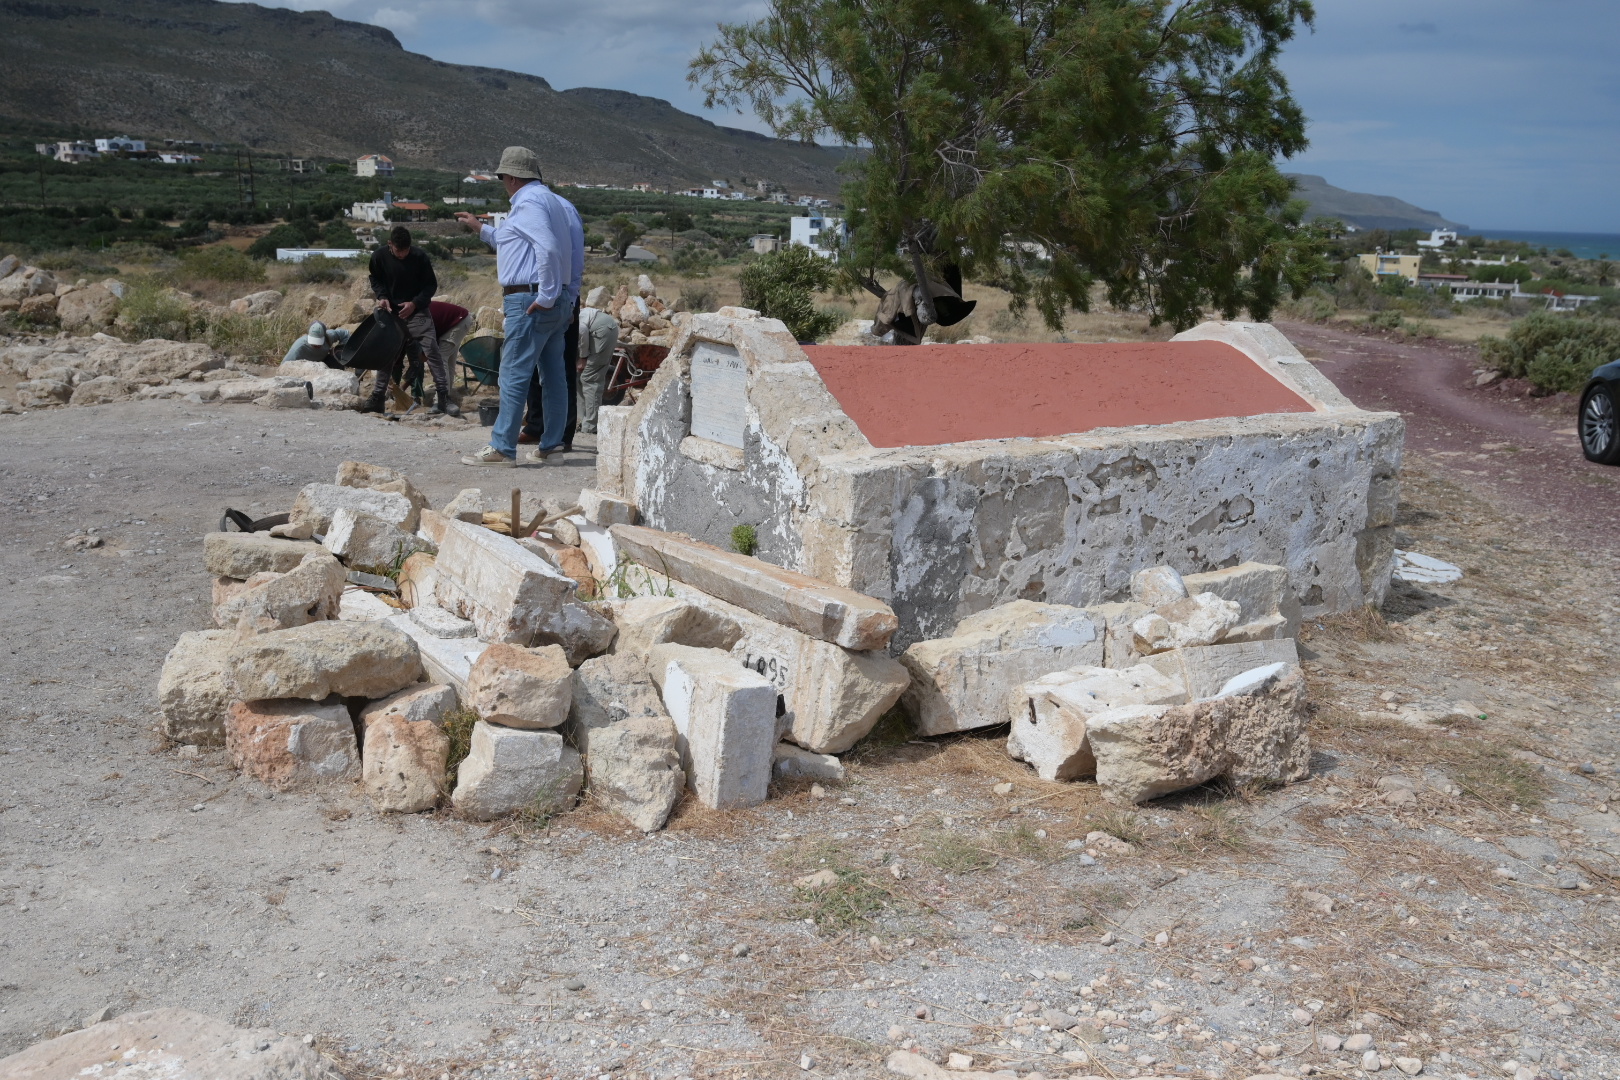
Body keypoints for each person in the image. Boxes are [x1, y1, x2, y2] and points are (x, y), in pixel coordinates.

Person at [453, 146, 569, 467]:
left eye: (503, 177)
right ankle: (552, 446)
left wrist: (545, 296)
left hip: (530, 299)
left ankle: (503, 448)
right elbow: (518, 244)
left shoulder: (528, 203)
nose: (503, 183)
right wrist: (480, 228)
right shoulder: (552, 202)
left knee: (513, 373)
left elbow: (547, 248)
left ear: (513, 177)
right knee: (553, 377)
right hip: (556, 299)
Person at [362, 225, 458, 416]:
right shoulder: (379, 257)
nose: (402, 255)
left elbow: (430, 286)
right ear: (390, 244)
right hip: (391, 314)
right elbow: (375, 279)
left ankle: (443, 398)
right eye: (398, 251)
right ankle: (378, 398)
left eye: (406, 251)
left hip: (418, 313)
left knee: (433, 353)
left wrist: (414, 304)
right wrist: (382, 296)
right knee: (386, 356)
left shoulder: (420, 257)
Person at [519, 190, 585, 449]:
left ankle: (562, 434)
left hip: (559, 293)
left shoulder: (563, 208)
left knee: (561, 365)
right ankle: (537, 425)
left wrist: (571, 300)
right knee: (534, 363)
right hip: (535, 293)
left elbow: (575, 258)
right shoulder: (531, 205)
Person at [574, 303, 620, 433]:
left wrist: (583, 357)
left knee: (590, 378)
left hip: (601, 330)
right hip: (600, 328)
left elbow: (582, 330)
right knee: (579, 376)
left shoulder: (565, 315)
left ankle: (591, 426)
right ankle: (583, 420)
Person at [281, 321, 350, 367]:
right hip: (306, 369)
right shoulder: (298, 348)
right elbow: (284, 366)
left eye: (319, 342)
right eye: (314, 342)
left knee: (338, 355)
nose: (316, 345)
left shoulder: (329, 337)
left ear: (324, 336)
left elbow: (345, 334)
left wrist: (338, 348)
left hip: (324, 363)